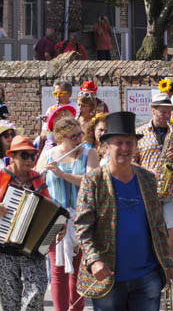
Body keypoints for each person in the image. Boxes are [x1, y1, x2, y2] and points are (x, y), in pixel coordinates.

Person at [74, 112, 173, 309]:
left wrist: (168, 264)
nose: (125, 148)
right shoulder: (93, 180)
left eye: (130, 143)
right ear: (106, 147)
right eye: (119, 143)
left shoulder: (146, 178)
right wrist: (94, 261)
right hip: (109, 277)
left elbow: (158, 225)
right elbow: (82, 228)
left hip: (147, 277)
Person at [35, 118, 99, 311]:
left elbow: (90, 181)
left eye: (80, 134)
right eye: (74, 136)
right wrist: (42, 174)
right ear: (61, 138)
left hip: (81, 218)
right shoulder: (47, 155)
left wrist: (62, 174)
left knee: (78, 270)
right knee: (57, 269)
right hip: (55, 218)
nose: (80, 139)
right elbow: (36, 184)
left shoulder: (90, 152)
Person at [135, 93, 173, 290]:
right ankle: (155, 269)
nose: (167, 115)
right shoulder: (140, 132)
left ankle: (167, 267)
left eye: (169, 112)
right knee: (149, 234)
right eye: (163, 112)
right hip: (148, 192)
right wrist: (146, 171)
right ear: (153, 111)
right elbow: (132, 162)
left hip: (172, 190)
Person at [0, 136, 52, 311]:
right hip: (5, 249)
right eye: (25, 155)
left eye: (33, 156)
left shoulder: (37, 179)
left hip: (33, 248)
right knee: (9, 301)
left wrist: (57, 227)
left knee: (37, 292)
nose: (30, 160)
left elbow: (51, 209)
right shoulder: (1, 177)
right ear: (12, 156)